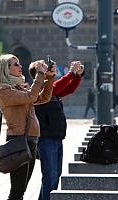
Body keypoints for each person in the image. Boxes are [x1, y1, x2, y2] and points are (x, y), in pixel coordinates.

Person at [0, 54, 56, 200]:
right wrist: (40, 74)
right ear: (5, 69)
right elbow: (30, 97)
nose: (20, 66)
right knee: (17, 190)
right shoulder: (4, 91)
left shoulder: (19, 88)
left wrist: (49, 77)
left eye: (19, 63)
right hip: (18, 140)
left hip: (31, 139)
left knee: (22, 188)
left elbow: (43, 98)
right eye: (15, 64)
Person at [29, 61, 84, 200]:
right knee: (50, 176)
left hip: (56, 138)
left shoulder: (51, 91)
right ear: (38, 74)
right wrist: (70, 73)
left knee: (55, 176)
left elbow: (68, 89)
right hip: (46, 139)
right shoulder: (38, 92)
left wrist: (77, 76)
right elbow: (56, 87)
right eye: (42, 66)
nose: (46, 66)